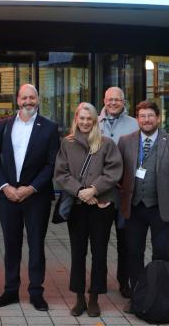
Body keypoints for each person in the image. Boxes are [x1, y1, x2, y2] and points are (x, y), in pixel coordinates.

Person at [0, 84, 60, 312]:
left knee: (36, 244)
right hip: (8, 195)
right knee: (11, 244)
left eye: (32, 97)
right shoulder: (4, 125)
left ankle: (36, 292)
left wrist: (31, 188)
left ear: (38, 100)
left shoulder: (49, 128)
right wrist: (4, 185)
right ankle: (10, 290)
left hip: (36, 197)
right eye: (24, 97)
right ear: (17, 100)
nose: (28, 101)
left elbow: (52, 164)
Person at [118, 100, 169, 314]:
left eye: (150, 116)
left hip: (160, 208)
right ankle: (138, 297)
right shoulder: (125, 141)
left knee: (161, 254)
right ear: (137, 119)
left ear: (158, 118)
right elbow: (119, 173)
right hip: (135, 207)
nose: (146, 120)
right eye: (142, 116)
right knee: (134, 253)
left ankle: (162, 298)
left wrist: (165, 192)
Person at [55, 102, 123, 317]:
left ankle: (94, 297)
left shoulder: (106, 144)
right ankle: (79, 298)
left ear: (95, 121)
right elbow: (61, 173)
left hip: (101, 207)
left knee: (99, 253)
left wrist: (94, 190)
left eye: (89, 119)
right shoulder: (67, 143)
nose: (85, 122)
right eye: (81, 118)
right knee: (77, 253)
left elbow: (114, 172)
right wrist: (81, 191)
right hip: (77, 206)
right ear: (76, 119)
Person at [98, 86, 138, 298]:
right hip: (101, 193)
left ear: (124, 101)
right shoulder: (93, 123)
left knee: (126, 241)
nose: (113, 103)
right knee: (99, 240)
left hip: (125, 194)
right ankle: (99, 281)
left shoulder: (134, 124)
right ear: (104, 100)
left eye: (117, 99)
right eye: (110, 99)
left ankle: (125, 282)